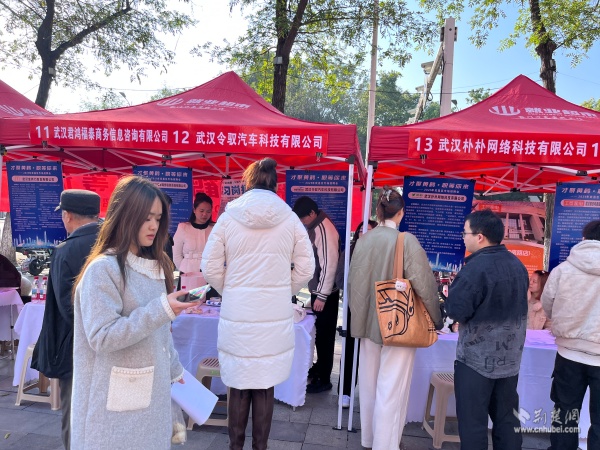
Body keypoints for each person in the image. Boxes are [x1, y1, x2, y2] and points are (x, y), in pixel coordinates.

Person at [70, 175, 199, 449]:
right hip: (110, 406)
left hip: (153, 397)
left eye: (158, 218)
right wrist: (161, 309)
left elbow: (160, 333)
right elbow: (102, 336)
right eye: (146, 217)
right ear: (125, 215)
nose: (153, 226)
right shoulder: (103, 270)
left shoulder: (154, 264)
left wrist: (176, 371)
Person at [202, 158, 314, 450]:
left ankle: (235, 447)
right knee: (265, 385)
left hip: (237, 312)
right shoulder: (289, 218)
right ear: (275, 184)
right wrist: (282, 290)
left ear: (248, 182)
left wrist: (231, 290)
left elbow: (209, 267)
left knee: (239, 384)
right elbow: (306, 268)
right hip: (274, 314)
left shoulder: (229, 217)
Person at [348, 186, 442, 450]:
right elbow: (424, 284)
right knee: (391, 388)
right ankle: (385, 444)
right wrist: (436, 318)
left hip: (367, 323)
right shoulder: (406, 241)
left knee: (368, 384)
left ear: (379, 212)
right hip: (399, 323)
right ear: (401, 212)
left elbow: (353, 283)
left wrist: (361, 317)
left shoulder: (364, 240)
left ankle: (369, 439)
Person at [447, 209, 529, 450]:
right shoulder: (517, 265)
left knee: (473, 424)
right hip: (510, 359)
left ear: (480, 236)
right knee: (507, 420)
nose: (464, 238)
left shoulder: (475, 269)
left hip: (476, 361)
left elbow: (457, 310)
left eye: (465, 233)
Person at [31, 189, 101, 450]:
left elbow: (67, 307)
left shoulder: (67, 250)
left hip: (75, 348)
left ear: (68, 216)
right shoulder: (117, 244)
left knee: (75, 414)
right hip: (114, 344)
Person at [542, 220, 600, 450]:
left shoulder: (563, 270)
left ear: (584, 239)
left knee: (565, 414)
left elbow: (548, 305)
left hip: (569, 355)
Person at [293, 195, 340, 394]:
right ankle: (319, 368)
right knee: (320, 334)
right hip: (320, 290)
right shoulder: (316, 226)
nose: (302, 222)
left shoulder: (323, 229)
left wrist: (321, 296)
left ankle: (324, 378)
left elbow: (329, 265)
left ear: (312, 213)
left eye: (303, 218)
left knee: (325, 337)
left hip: (326, 294)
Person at [335, 220, 377, 408]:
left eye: (369, 230)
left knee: (371, 351)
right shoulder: (349, 252)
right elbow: (339, 280)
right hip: (353, 306)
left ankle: (371, 394)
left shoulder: (381, 253)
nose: (364, 233)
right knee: (350, 349)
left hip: (375, 309)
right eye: (361, 230)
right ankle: (345, 392)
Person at [173, 192, 214, 274]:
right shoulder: (183, 227)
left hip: (209, 272)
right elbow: (176, 255)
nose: (204, 214)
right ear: (194, 210)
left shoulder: (214, 229)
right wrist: (184, 269)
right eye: (201, 211)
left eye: (208, 211)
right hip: (187, 272)